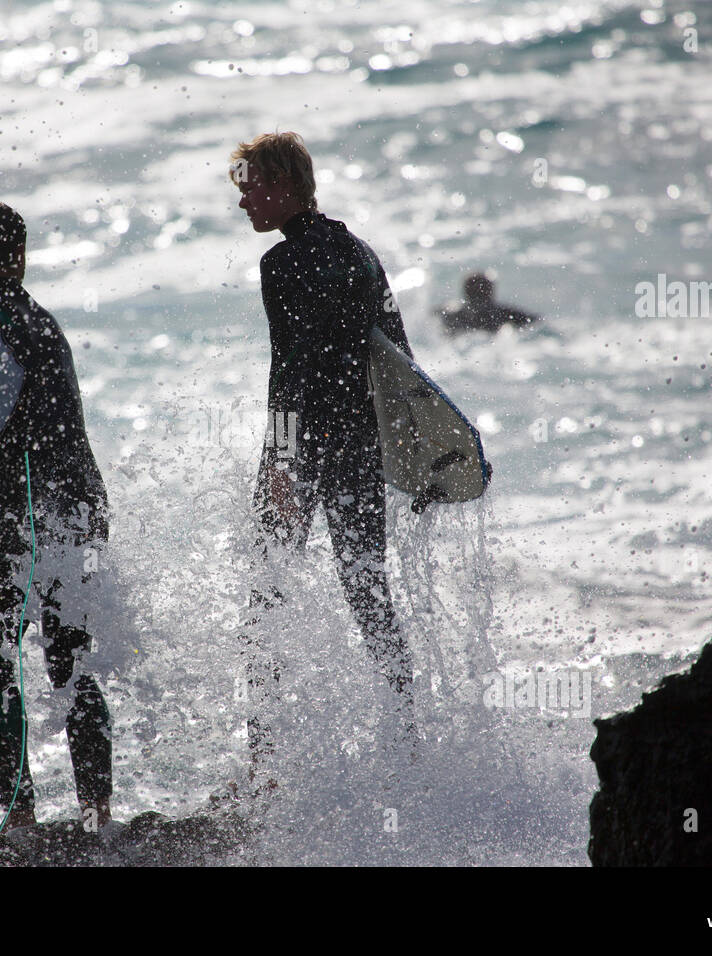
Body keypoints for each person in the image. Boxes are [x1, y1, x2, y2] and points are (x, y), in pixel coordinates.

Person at [228, 132, 418, 776]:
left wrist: (281, 465)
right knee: (369, 590)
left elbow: (289, 373)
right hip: (358, 446)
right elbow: (399, 359)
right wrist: (418, 456)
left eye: (250, 185)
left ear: (283, 186)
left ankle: (265, 762)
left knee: (267, 596)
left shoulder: (280, 266)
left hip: (303, 450)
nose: (244, 199)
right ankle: (407, 736)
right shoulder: (360, 254)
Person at [0, 199, 113, 830]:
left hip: (29, 508)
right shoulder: (44, 322)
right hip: (85, 503)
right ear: (22, 256)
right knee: (71, 654)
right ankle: (97, 811)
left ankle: (19, 813)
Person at [436, 272, 539, 334]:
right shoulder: (504, 313)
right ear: (490, 291)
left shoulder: (449, 312)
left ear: (465, 291)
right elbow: (536, 322)